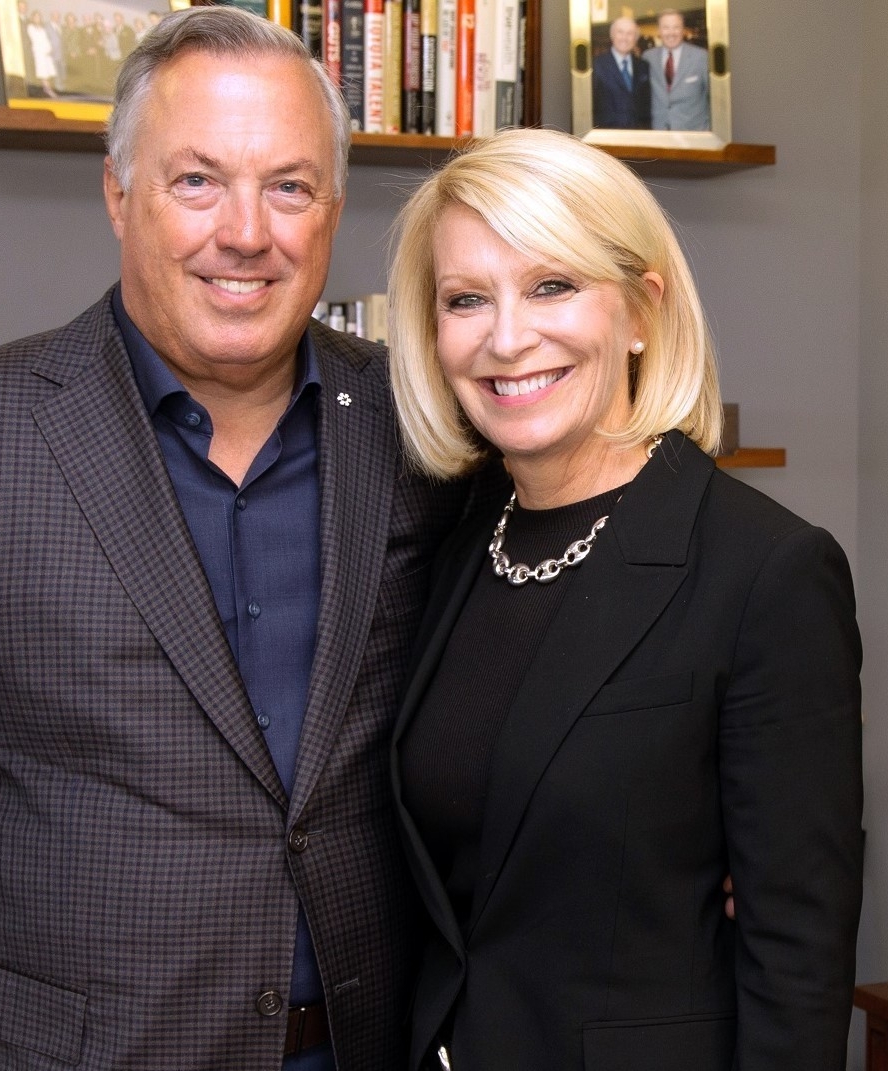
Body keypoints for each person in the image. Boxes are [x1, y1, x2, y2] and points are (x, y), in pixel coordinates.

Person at [0, 8, 481, 1069]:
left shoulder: (426, 435)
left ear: (333, 210)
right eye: (198, 181)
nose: (247, 231)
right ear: (119, 195)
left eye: (290, 186)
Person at [386, 127, 864, 1070]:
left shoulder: (767, 571)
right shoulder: (450, 538)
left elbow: (797, 961)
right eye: (465, 299)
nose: (507, 336)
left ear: (642, 307)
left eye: (552, 285)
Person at [643, 8, 710, 130]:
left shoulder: (701, 57)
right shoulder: (648, 58)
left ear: (683, 30)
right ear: (659, 31)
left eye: (676, 27)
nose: (671, 33)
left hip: (694, 134)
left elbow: (713, 98)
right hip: (659, 134)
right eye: (666, 27)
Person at [591, 15, 651, 129]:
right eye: (620, 32)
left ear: (636, 39)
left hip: (638, 135)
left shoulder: (643, 66)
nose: (625, 37)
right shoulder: (596, 66)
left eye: (630, 33)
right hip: (606, 136)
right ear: (612, 35)